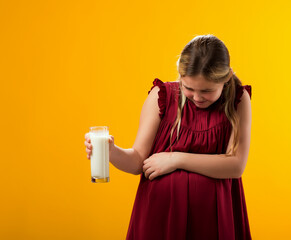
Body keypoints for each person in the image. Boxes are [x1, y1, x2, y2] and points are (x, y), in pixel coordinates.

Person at [84, 34, 252, 240]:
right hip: (159, 217)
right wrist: (111, 151)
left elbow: (236, 165)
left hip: (213, 219)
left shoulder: (238, 99)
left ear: (225, 79)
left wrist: (176, 159)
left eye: (207, 91)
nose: (197, 97)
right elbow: (138, 161)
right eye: (189, 88)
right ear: (180, 76)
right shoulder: (161, 96)